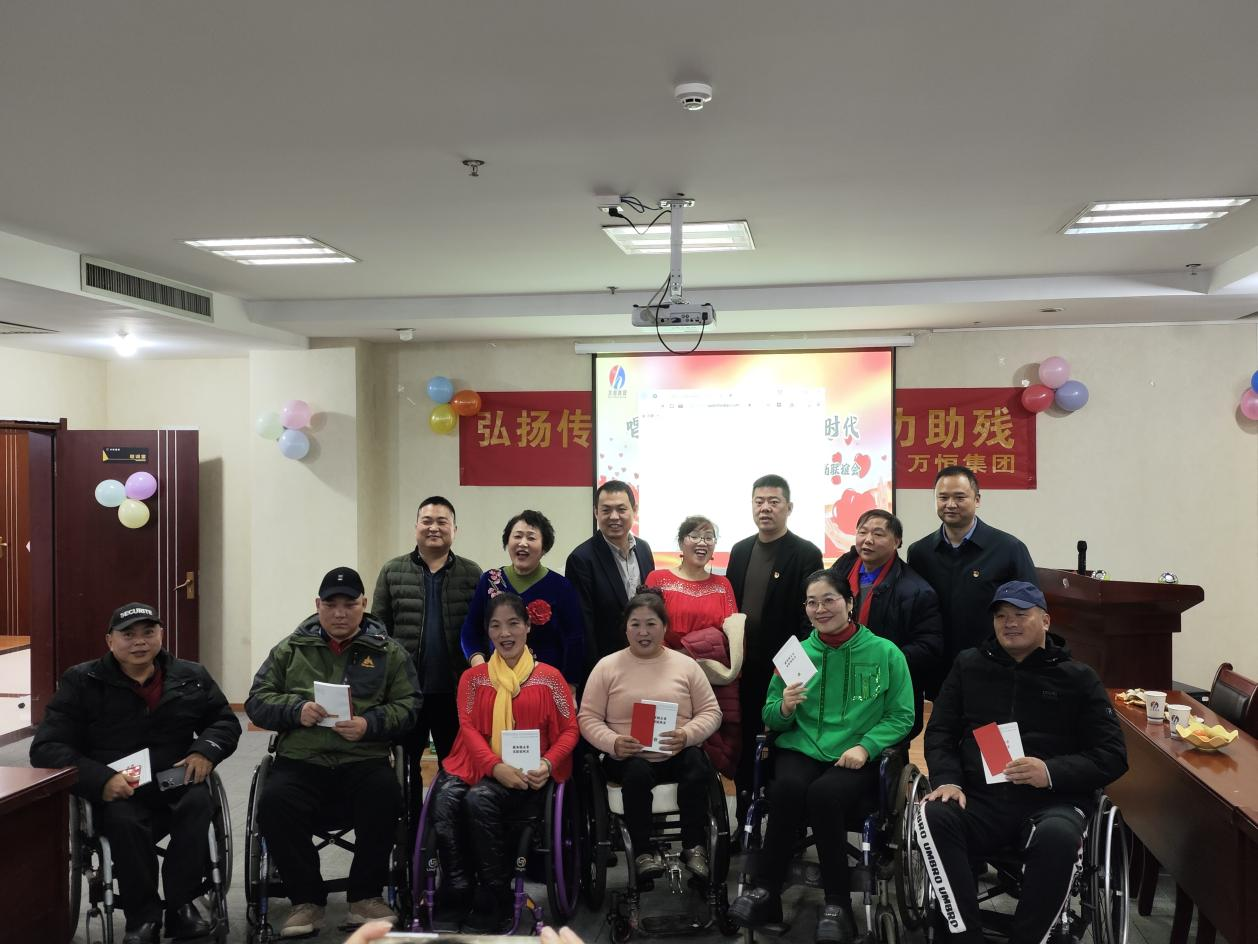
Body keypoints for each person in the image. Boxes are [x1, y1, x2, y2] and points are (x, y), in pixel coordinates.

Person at [914, 581, 1128, 944]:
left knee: (1058, 838)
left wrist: (1050, 772)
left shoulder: (1079, 678)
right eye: (1001, 616)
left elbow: (1112, 755)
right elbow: (941, 733)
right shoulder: (969, 665)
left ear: (1045, 621)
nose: (1009, 623)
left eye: (1019, 614)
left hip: (1053, 803)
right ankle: (964, 936)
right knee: (933, 814)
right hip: (979, 797)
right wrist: (948, 779)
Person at [30, 602, 241, 944]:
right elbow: (47, 747)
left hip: (175, 780)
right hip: (120, 790)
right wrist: (100, 780)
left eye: (148, 632)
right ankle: (143, 917)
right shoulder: (82, 681)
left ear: (161, 635)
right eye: (128, 635)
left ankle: (182, 906)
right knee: (124, 821)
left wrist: (205, 750)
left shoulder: (191, 676)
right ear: (110, 640)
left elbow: (224, 721)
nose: (140, 642)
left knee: (199, 803)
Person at [729, 571, 914, 944]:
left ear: (849, 602)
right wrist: (783, 707)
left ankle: (837, 905)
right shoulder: (796, 654)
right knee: (785, 790)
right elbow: (769, 715)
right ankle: (765, 892)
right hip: (802, 747)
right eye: (812, 602)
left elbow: (902, 716)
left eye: (829, 599)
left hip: (854, 752)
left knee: (824, 795)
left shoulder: (884, 652)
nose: (820, 609)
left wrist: (866, 746)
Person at [245, 567, 420, 938]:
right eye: (331, 604)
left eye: (349, 604)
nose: (340, 613)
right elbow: (257, 701)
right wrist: (296, 710)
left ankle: (365, 897)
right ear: (318, 605)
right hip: (302, 761)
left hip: (363, 759)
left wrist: (370, 724)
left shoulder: (388, 652)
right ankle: (306, 901)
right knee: (274, 802)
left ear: (364, 604)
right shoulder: (290, 649)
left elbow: (409, 705)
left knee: (386, 794)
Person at [429, 593, 579, 933]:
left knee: (478, 799)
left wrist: (548, 763)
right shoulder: (473, 679)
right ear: (488, 632)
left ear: (527, 627)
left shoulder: (550, 678)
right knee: (445, 798)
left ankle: (494, 893)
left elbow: (570, 729)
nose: (505, 633)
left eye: (513, 623)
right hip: (475, 762)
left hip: (530, 769)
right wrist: (494, 766)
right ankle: (457, 886)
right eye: (496, 626)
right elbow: (468, 728)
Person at [579, 590, 723, 882]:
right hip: (627, 757)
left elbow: (711, 712)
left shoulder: (686, 666)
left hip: (676, 752)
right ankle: (643, 853)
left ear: (664, 627)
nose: (643, 632)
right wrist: (613, 742)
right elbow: (588, 717)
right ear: (625, 628)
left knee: (698, 765)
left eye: (651, 624)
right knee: (636, 773)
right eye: (635, 624)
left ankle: (694, 847)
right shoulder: (607, 667)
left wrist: (687, 735)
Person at [726, 474, 823, 801]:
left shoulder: (806, 553)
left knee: (782, 735)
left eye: (773, 502)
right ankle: (746, 805)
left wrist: (798, 666)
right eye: (759, 502)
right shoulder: (740, 550)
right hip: (745, 666)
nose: (765, 508)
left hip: (785, 668)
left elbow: (809, 615)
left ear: (789, 507)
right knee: (747, 735)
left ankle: (783, 807)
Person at [906, 465, 1037, 691]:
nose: (950, 504)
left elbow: (1031, 608)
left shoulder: (1008, 548)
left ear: (977, 500)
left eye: (959, 497)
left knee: (988, 715)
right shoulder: (920, 552)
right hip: (938, 668)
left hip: (993, 666)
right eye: (943, 497)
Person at [372, 496, 481, 764]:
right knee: (405, 762)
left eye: (442, 522)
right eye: (427, 521)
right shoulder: (392, 571)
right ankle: (410, 795)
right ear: (416, 527)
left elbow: (480, 628)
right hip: (406, 690)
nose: (434, 528)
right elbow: (379, 630)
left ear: (454, 530)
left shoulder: (471, 573)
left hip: (454, 689)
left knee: (454, 763)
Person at [829, 509, 943, 738]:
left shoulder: (916, 590)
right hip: (837, 678)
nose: (868, 540)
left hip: (884, 687)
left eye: (878, 534)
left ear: (897, 541)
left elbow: (929, 646)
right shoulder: (840, 571)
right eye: (862, 532)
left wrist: (881, 661)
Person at [645, 514, 743, 776]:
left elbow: (732, 636)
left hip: (711, 680)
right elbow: (646, 625)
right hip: (663, 675)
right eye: (695, 536)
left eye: (709, 537)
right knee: (661, 747)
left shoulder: (723, 585)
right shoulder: (658, 579)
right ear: (681, 542)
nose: (702, 542)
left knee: (704, 759)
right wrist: (677, 659)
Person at [461, 510, 586, 686]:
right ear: (507, 541)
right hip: (497, 680)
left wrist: (570, 686)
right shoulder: (490, 580)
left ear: (544, 547)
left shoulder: (561, 586)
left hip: (545, 684)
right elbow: (470, 630)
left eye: (531, 538)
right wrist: (480, 667)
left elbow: (574, 639)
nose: (523, 543)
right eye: (517, 536)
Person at [564, 480, 656, 663]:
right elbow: (584, 624)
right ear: (596, 512)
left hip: (646, 656)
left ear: (634, 510)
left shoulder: (644, 549)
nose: (614, 517)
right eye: (606, 510)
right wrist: (597, 669)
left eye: (621, 509)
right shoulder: (581, 559)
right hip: (607, 662)